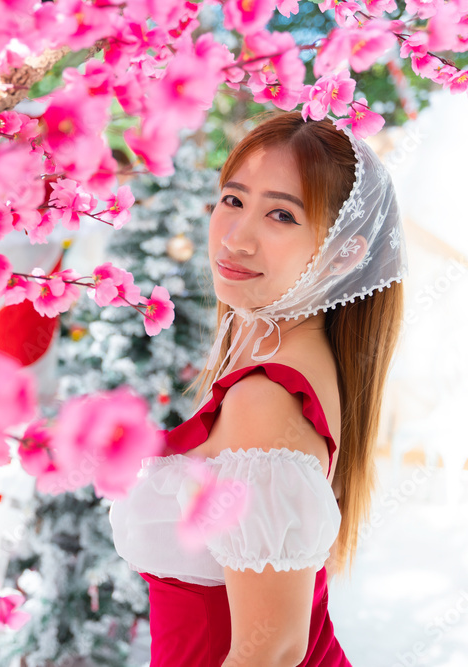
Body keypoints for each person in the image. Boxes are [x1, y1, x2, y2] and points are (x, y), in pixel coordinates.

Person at [110, 111, 408, 666]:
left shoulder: (266, 397)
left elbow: (271, 649)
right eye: (233, 199)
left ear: (345, 252)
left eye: (281, 214)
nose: (236, 238)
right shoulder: (282, 356)